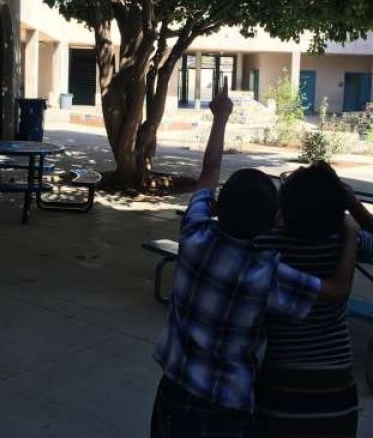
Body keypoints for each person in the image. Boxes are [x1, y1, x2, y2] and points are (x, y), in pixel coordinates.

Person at [150, 85, 359, 438]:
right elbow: (337, 291)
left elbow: (209, 172)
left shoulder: (195, 234)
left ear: (216, 208)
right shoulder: (267, 275)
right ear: (273, 222)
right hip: (227, 408)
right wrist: (351, 233)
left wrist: (220, 117)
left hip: (173, 390)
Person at [253, 162, 373, 438]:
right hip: (336, 384)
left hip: (279, 379)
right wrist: (353, 205)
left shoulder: (266, 243)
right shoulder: (345, 242)